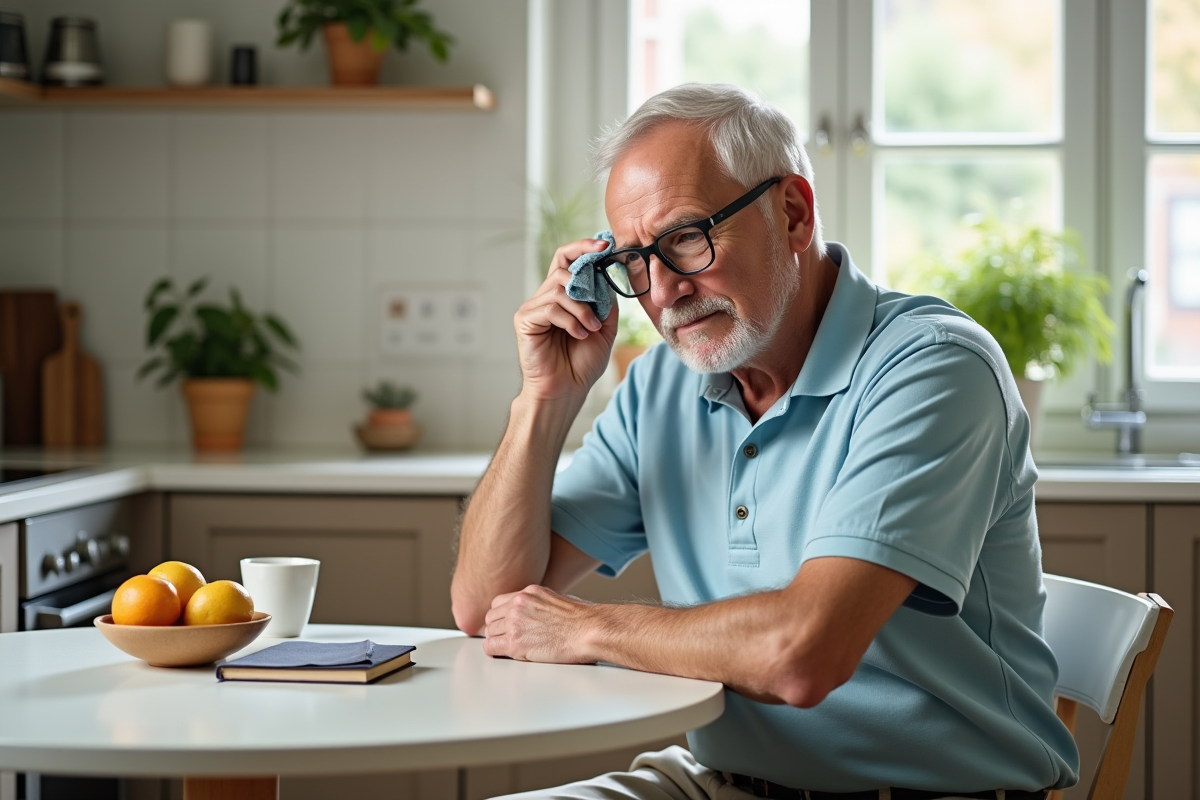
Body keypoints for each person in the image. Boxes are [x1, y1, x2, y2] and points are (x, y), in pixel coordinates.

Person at [451, 83, 1079, 800]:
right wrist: (544, 398)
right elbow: (486, 607)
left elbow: (800, 656)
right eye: (632, 260)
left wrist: (589, 630)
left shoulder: (932, 368)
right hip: (719, 782)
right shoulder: (660, 386)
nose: (661, 293)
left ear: (793, 214)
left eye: (685, 237)